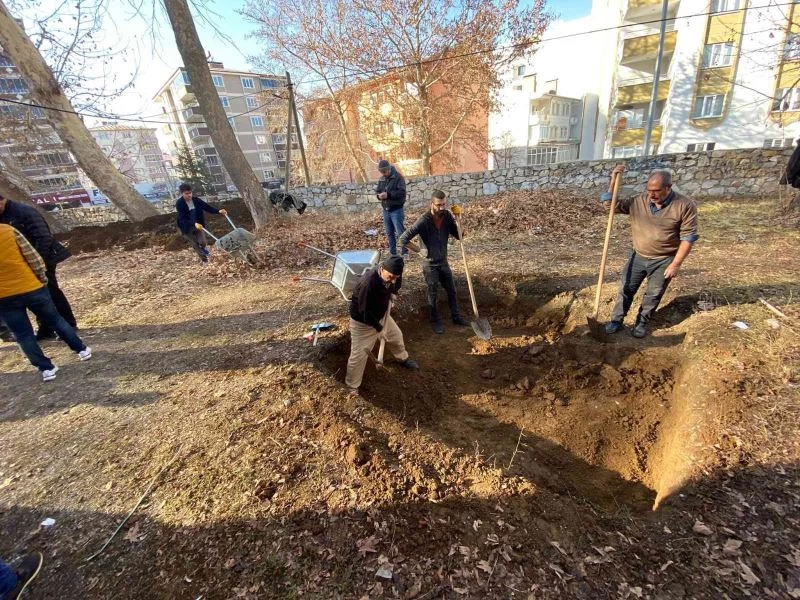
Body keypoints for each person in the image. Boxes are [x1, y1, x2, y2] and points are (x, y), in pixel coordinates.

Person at [601, 165, 699, 338]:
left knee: (653, 294)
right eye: (649, 190)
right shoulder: (639, 201)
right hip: (638, 255)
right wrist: (613, 180)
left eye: (657, 191)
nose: (652, 195)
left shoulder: (684, 206)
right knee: (626, 288)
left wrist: (676, 264)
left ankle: (642, 323)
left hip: (664, 259)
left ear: (669, 187)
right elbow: (610, 205)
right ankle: (616, 321)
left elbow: (688, 238)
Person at [0, 223, 92, 381]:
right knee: (55, 319)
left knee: (23, 334)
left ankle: (46, 369)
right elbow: (33, 257)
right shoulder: (7, 231)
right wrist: (42, 279)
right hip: (31, 286)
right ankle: (81, 350)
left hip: (4, 296)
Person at [0, 194, 75, 341]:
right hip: (21, 264)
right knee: (36, 298)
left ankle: (69, 324)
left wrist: (37, 261)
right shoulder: (3, 215)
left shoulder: (24, 211)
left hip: (42, 258)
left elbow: (43, 236)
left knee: (51, 292)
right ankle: (46, 330)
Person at [399, 190, 470, 334]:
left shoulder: (447, 216)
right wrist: (419, 250)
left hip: (443, 261)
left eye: (444, 204)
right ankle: (435, 320)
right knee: (433, 292)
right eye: (438, 205)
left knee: (451, 290)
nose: (442, 208)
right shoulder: (424, 220)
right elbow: (403, 239)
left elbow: (459, 236)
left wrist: (459, 219)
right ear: (431, 204)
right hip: (430, 264)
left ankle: (456, 317)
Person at [346, 255, 419, 392]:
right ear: (381, 269)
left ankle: (402, 358)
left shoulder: (394, 274)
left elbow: (396, 281)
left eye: (395, 277)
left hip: (381, 314)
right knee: (359, 356)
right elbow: (365, 312)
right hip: (363, 322)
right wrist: (379, 329)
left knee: (396, 336)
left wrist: (394, 291)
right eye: (390, 276)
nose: (392, 280)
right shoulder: (368, 283)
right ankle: (351, 386)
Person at [175, 183, 227, 262]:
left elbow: (206, 207)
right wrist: (193, 224)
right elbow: (183, 218)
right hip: (186, 226)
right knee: (195, 243)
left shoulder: (196, 200)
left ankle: (203, 248)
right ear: (182, 193)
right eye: (186, 194)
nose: (189, 195)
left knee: (203, 242)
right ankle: (204, 259)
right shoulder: (179, 203)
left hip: (198, 224)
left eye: (190, 193)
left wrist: (218, 211)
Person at [375, 159, 407, 256]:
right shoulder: (381, 179)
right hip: (386, 210)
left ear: (389, 169)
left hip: (397, 210)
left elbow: (402, 193)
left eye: (384, 172)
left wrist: (388, 195)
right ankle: (393, 253)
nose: (383, 174)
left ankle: (405, 251)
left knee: (400, 232)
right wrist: (378, 196)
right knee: (389, 233)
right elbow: (377, 191)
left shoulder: (399, 177)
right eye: (381, 172)